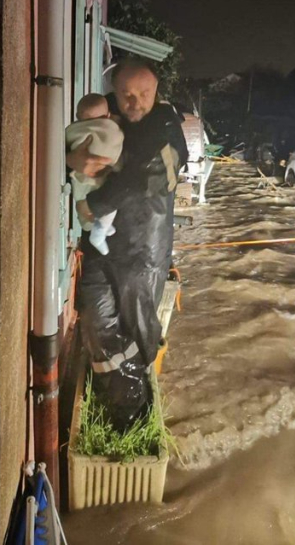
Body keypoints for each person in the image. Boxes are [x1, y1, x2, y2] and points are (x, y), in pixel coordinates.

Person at [66, 58, 188, 431]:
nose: (135, 103)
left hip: (143, 249)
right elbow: (69, 143)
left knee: (138, 328)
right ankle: (124, 401)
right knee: (97, 321)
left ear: (157, 92)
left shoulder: (167, 126)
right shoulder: (104, 113)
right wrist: (72, 157)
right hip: (101, 246)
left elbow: (151, 175)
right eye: (127, 95)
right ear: (115, 93)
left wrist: (94, 204)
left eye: (144, 94)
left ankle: (134, 416)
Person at [66, 93, 125, 255]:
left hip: (81, 178)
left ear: (78, 116)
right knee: (108, 202)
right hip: (102, 180)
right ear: (108, 115)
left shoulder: (75, 130)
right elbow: (116, 142)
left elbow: (67, 143)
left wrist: (70, 158)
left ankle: (100, 228)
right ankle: (100, 232)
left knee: (86, 204)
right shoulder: (112, 129)